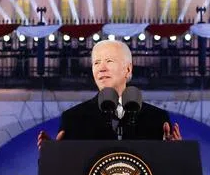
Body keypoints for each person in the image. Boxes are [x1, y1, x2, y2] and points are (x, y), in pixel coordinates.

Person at [37, 39, 181, 147]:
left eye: (109, 61)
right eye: (96, 63)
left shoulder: (156, 119)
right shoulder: (73, 119)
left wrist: (176, 152)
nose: (101, 68)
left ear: (128, 69)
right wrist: (52, 155)